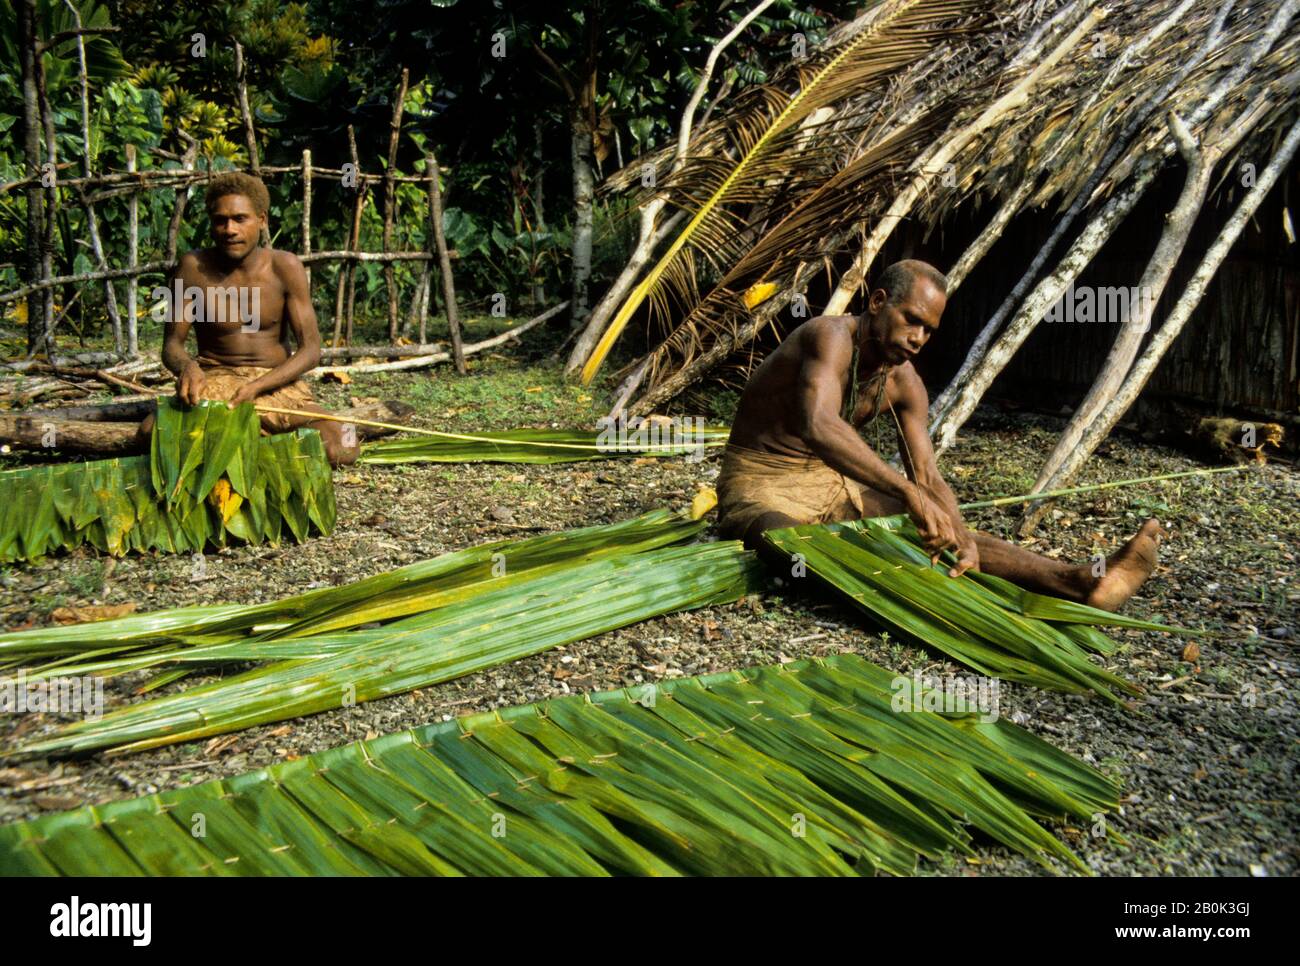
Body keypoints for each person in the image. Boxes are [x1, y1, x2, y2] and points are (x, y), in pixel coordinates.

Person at [716, 259, 1165, 611]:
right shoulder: (829, 337)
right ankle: (889, 583)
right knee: (792, 547)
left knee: (937, 528)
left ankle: (1077, 581)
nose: (918, 338)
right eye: (911, 320)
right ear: (876, 302)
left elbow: (927, 474)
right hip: (762, 487)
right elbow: (820, 425)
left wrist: (959, 533)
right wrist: (907, 493)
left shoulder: (904, 382)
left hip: (832, 490)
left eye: (928, 330)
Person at [136, 172, 358, 466]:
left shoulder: (285, 266)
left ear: (262, 220)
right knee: (150, 433)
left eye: (240, 219)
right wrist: (187, 367)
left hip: (276, 383)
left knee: (344, 445)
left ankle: (241, 445)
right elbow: (171, 345)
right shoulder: (193, 268)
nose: (230, 229)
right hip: (215, 382)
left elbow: (311, 349)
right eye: (221, 220)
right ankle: (253, 446)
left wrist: (258, 386)